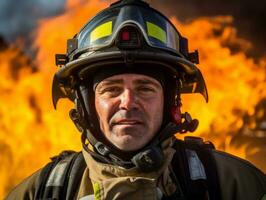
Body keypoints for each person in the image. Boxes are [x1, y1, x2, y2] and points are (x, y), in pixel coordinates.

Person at [5, 0, 266, 199]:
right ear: (85, 106)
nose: (128, 102)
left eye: (145, 88)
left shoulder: (231, 184)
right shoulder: (45, 190)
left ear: (171, 103)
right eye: (111, 89)